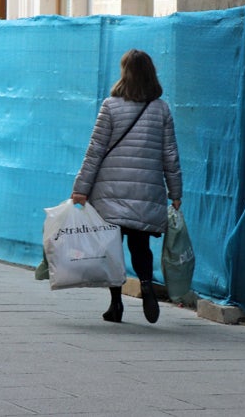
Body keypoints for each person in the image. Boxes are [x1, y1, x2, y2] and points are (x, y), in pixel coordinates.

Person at [72, 49, 183, 324]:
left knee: (112, 247)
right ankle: (146, 285)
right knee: (140, 244)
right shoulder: (161, 109)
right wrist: (175, 192)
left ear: (125, 73)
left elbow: (95, 150)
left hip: (110, 190)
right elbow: (170, 154)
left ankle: (116, 304)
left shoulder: (110, 106)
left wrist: (81, 189)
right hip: (145, 191)